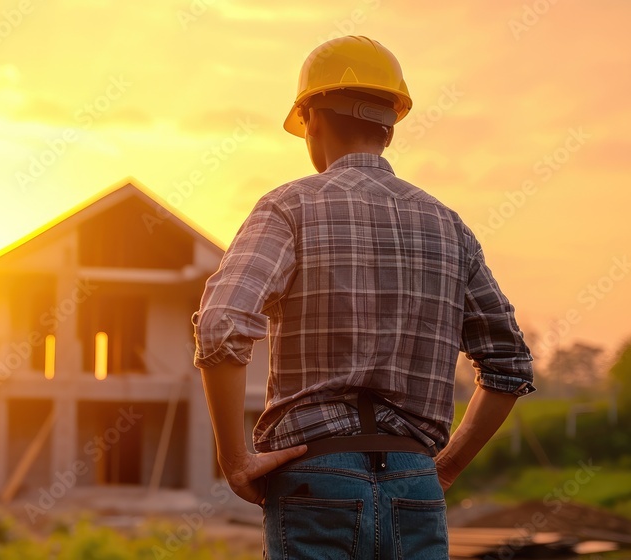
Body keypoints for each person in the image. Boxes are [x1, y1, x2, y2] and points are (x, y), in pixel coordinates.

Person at [192, 35, 535, 559]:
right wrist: (447, 466)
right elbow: (509, 363)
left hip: (314, 482)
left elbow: (221, 324)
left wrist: (235, 460)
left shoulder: (288, 208)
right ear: (389, 128)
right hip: (415, 486)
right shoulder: (449, 226)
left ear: (311, 119)